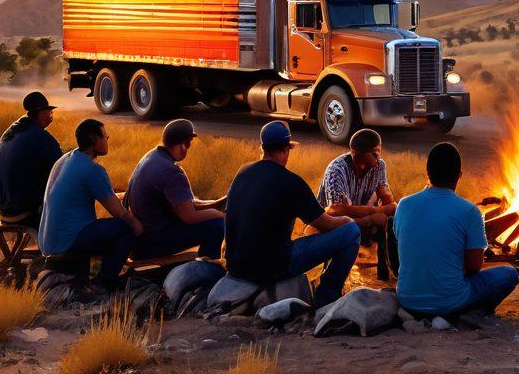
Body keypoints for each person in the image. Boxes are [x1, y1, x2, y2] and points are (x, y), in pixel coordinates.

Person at [224, 121, 360, 307]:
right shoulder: (291, 182)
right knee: (352, 232)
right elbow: (325, 224)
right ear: (287, 149)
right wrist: (347, 219)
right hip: (273, 266)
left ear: (263, 147)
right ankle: (327, 296)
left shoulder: (243, 172)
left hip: (235, 266)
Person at [394, 142, 518, 318]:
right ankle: (473, 311)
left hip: (408, 300)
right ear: (459, 175)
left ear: (427, 173)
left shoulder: (404, 205)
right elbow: (474, 267)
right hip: (449, 302)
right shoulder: (470, 211)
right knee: (509, 274)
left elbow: (404, 248)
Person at [39, 119, 141, 291]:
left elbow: (102, 195)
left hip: (48, 241)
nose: (108, 137)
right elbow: (120, 213)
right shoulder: (92, 170)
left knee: (110, 228)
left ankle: (95, 275)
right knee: (125, 228)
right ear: (94, 140)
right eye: (104, 136)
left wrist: (118, 197)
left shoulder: (66, 159)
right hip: (67, 242)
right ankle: (105, 282)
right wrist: (138, 225)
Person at [126, 119, 225, 260]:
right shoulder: (172, 172)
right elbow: (189, 216)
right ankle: (207, 269)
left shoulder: (152, 156)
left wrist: (217, 202)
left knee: (213, 218)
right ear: (184, 144)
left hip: (139, 239)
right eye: (189, 143)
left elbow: (185, 204)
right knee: (216, 226)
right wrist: (219, 214)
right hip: (152, 242)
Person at [317, 129, 396, 279]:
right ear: (355, 153)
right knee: (370, 218)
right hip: (329, 223)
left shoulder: (379, 166)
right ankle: (328, 278)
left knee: (389, 221)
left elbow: (385, 196)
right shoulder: (336, 169)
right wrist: (375, 212)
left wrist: (388, 202)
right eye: (374, 153)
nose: (378, 156)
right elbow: (336, 210)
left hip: (357, 218)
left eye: (379, 151)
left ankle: (389, 271)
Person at [0, 91, 63, 229]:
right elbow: (62, 170)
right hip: (22, 213)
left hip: (4, 208)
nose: (51, 117)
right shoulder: (40, 137)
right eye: (49, 112)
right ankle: (57, 247)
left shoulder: (11, 131)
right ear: (41, 113)